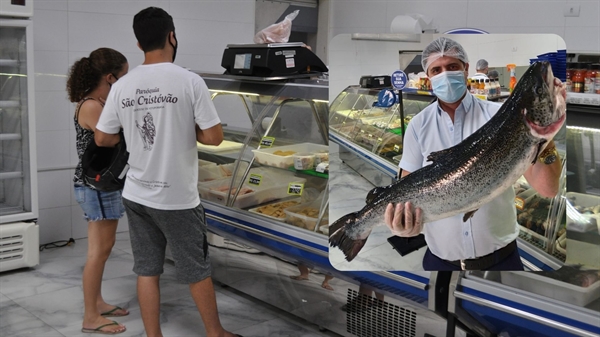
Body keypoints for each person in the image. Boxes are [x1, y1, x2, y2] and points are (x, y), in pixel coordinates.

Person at [94, 7, 240, 337]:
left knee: (147, 270)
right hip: (177, 198)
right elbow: (215, 137)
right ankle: (216, 333)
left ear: (138, 43)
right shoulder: (189, 81)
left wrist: (132, 133)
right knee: (196, 269)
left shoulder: (122, 85)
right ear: (171, 36)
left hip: (136, 192)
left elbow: (102, 137)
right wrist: (182, 128)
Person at [383, 37, 563, 271]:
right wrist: (402, 222)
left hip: (503, 260)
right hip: (440, 261)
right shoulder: (418, 126)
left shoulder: (500, 117)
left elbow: (547, 189)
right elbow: (407, 185)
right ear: (428, 77)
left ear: (466, 69)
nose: (445, 74)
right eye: (436, 69)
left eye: (452, 67)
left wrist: (544, 140)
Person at [67, 48, 129, 334]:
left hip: (97, 185)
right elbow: (109, 138)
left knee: (101, 250)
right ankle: (91, 317)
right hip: (96, 186)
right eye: (123, 77)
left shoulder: (96, 101)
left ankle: (98, 302)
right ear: (109, 77)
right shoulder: (92, 105)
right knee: (99, 252)